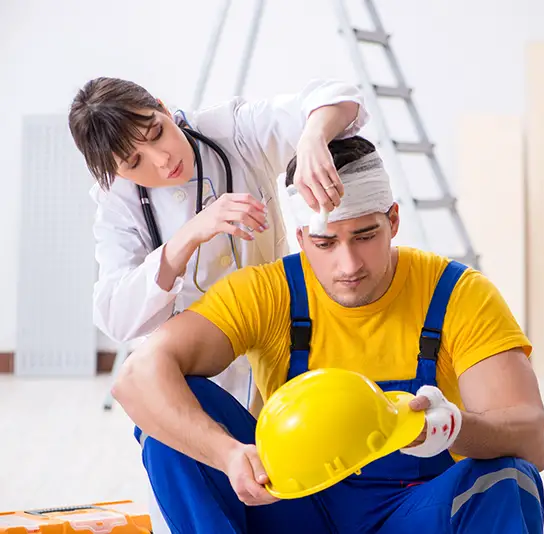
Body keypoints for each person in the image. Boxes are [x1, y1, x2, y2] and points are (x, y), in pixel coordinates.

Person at [111, 135, 544, 533]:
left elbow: (533, 439)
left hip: (412, 512)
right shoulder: (270, 292)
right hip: (291, 506)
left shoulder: (457, 294)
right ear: (301, 237)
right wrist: (225, 453)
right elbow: (135, 379)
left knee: (508, 479)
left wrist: (450, 426)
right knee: (171, 418)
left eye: (365, 236)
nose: (349, 265)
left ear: (393, 221)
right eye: (325, 243)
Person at [67, 76, 369, 533]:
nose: (163, 158)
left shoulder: (230, 130)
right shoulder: (118, 204)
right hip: (201, 375)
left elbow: (339, 97)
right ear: (115, 174)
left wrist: (311, 137)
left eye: (156, 132)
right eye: (134, 162)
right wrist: (188, 236)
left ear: (164, 108)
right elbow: (115, 316)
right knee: (164, 433)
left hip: (278, 357)